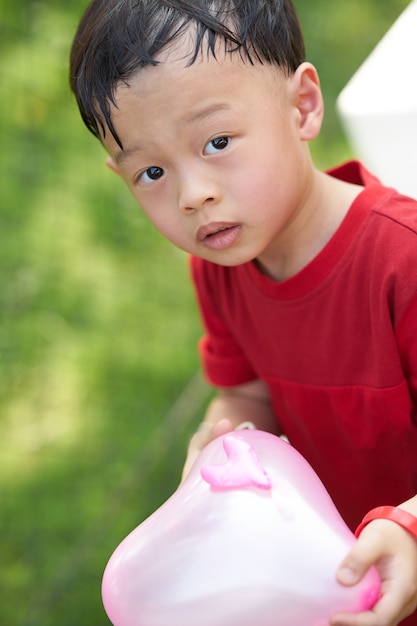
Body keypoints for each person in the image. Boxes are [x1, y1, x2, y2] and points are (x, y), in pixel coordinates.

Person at [69, 1, 417, 624]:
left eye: (218, 141)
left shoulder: (402, 262)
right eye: (151, 171)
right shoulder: (220, 270)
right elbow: (248, 392)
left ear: (302, 106)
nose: (192, 194)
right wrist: (223, 438)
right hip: (331, 582)